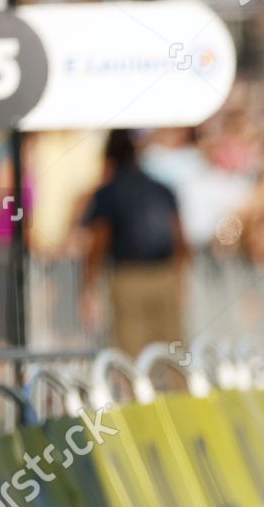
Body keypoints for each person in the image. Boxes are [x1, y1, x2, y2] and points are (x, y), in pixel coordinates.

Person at [80, 129, 190, 357]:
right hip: (165, 274)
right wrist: (180, 276)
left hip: (128, 278)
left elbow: (99, 241)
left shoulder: (108, 193)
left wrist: (89, 284)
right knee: (173, 348)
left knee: (131, 352)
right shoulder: (162, 189)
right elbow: (180, 238)